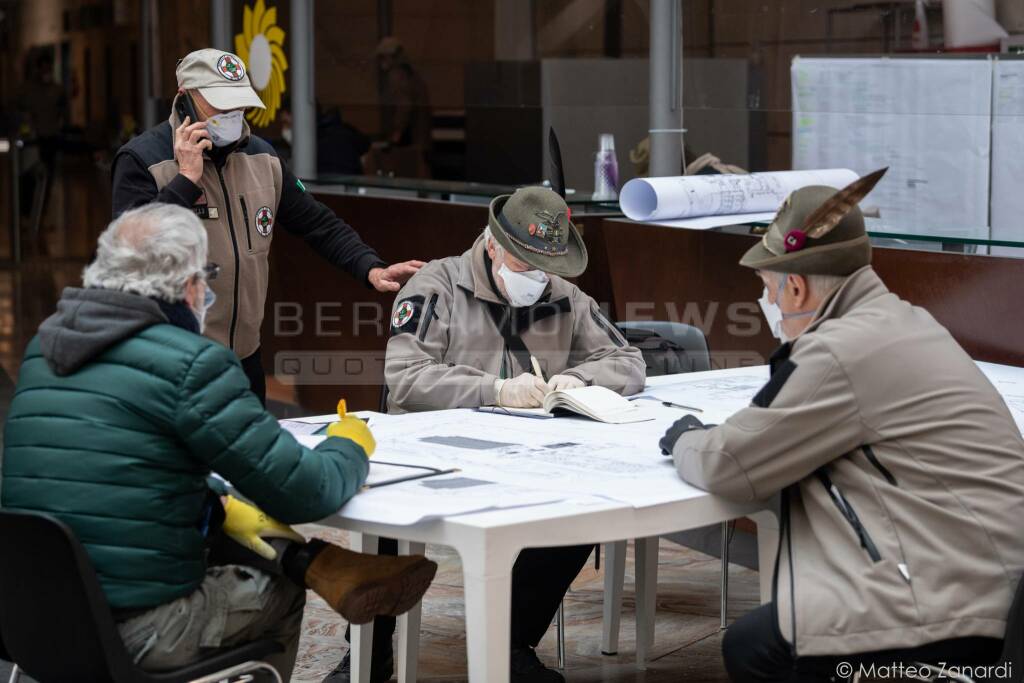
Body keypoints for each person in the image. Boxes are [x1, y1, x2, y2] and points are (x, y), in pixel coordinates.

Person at [1, 204, 437, 681]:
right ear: (187, 284)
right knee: (278, 591)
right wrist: (350, 442)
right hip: (138, 632)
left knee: (220, 504)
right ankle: (316, 568)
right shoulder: (190, 363)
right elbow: (308, 490)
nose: (207, 291)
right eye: (205, 276)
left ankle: (326, 564)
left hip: (31, 621)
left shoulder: (44, 348)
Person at [660, 170, 1024, 682]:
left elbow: (730, 464)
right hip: (990, 581)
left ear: (798, 286)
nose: (769, 304)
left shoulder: (838, 349)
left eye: (768, 289)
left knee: (754, 648)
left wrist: (684, 439)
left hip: (952, 609)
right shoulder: (905, 321)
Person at [341, 186, 645, 683]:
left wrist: (582, 379)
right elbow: (406, 376)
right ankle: (365, 657)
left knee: (580, 516)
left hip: (528, 457)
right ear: (492, 245)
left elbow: (628, 361)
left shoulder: (562, 293)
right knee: (383, 526)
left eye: (546, 266)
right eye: (525, 264)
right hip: (432, 452)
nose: (537, 278)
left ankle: (509, 642)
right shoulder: (435, 286)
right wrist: (496, 390)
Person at [110, 48, 425, 403]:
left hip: (244, 361)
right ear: (184, 99)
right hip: (172, 362)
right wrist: (185, 180)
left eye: (239, 105)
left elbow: (317, 222)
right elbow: (130, 255)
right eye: (220, 105)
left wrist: (370, 267)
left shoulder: (263, 158)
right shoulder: (143, 160)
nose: (232, 115)